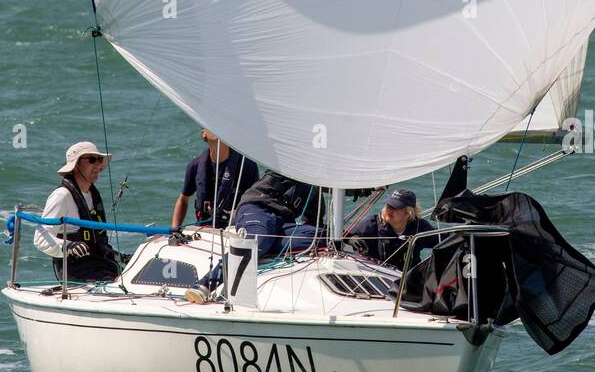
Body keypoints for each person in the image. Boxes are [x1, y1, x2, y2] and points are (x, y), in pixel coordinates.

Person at [186, 170, 325, 303]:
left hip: (283, 223)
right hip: (258, 208)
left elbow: (313, 222)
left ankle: (266, 245)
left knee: (324, 237)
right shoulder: (285, 165)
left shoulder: (314, 189)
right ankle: (205, 284)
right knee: (258, 240)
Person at [33, 141, 122, 283]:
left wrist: (120, 257)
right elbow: (40, 239)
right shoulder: (62, 196)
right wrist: (68, 246)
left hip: (103, 265)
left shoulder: (92, 194)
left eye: (99, 160)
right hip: (78, 272)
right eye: (92, 160)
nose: (98, 166)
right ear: (76, 165)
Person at [169, 130, 259, 233]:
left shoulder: (247, 166)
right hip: (204, 230)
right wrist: (174, 230)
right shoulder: (195, 166)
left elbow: (255, 204)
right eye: (211, 124)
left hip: (236, 230)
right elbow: (183, 200)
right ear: (204, 133)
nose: (216, 128)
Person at [345, 188, 436, 272]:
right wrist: (349, 239)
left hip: (407, 283)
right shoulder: (370, 224)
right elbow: (340, 239)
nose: (389, 209)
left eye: (395, 207)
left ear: (408, 213)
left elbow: (443, 240)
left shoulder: (419, 227)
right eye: (388, 205)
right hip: (374, 277)